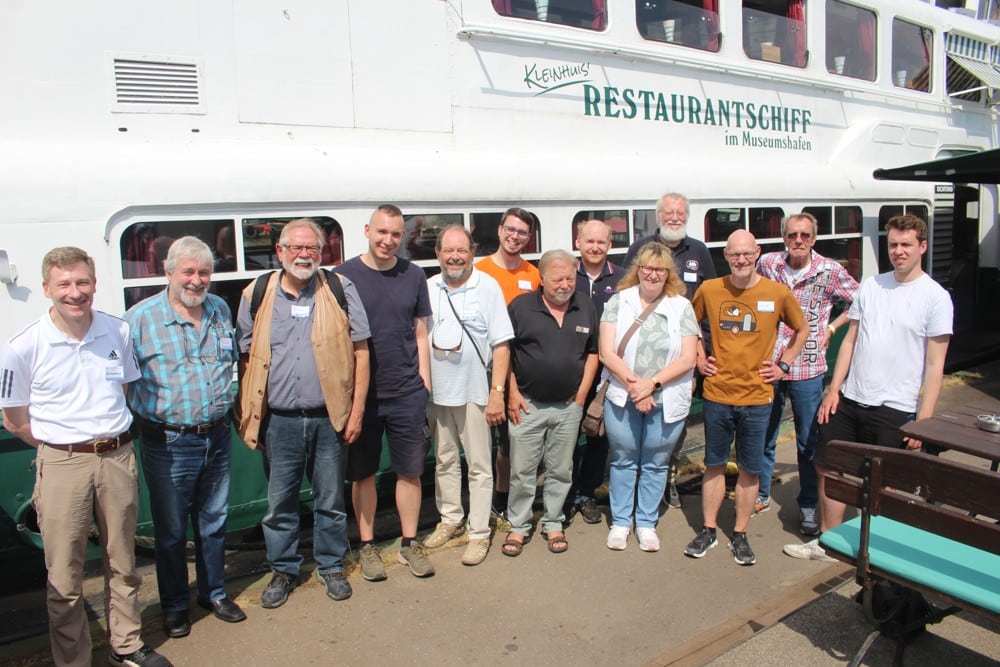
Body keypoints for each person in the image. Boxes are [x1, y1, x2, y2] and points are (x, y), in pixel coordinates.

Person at [1, 247, 171, 667]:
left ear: (94, 284)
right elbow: (15, 421)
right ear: (46, 289)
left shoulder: (118, 332)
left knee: (123, 560)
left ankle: (126, 645)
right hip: (62, 463)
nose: (75, 292)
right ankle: (73, 660)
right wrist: (62, 450)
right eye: (64, 284)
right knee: (65, 575)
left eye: (82, 282)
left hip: (116, 456)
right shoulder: (22, 347)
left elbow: (127, 389)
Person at [784, 213, 952, 561]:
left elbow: (936, 366)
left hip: (895, 406)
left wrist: (924, 420)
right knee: (827, 464)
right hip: (850, 399)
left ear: (922, 247)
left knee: (886, 482)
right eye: (893, 244)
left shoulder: (935, 298)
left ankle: (876, 549)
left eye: (906, 245)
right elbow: (849, 342)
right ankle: (830, 543)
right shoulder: (873, 286)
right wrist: (833, 390)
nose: (898, 251)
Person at [236, 218, 370, 607]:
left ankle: (330, 566)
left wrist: (357, 411)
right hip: (279, 421)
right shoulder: (256, 293)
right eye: (295, 248)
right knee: (280, 504)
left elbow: (362, 352)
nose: (303, 254)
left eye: (311, 247)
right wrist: (251, 415)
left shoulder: (340, 289)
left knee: (330, 500)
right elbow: (247, 359)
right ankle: (284, 569)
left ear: (322, 252)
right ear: (280, 252)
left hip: (330, 417)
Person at [126, 237, 245, 639]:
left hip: (217, 435)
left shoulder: (219, 309)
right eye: (188, 272)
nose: (196, 281)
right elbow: (122, 384)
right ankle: (175, 606)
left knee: (214, 523)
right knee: (173, 531)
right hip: (169, 443)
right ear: (168, 273)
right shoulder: (140, 319)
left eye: (204, 273)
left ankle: (213, 594)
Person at [685, 230, 808, 566]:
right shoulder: (710, 290)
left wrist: (783, 364)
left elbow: (803, 329)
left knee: (749, 470)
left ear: (757, 252)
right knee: (713, 464)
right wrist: (699, 354)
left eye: (746, 254)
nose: (740, 260)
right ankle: (709, 530)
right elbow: (690, 323)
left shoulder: (777, 292)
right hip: (717, 393)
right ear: (725, 255)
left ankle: (739, 533)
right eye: (734, 255)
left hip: (757, 396)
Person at [336, 204, 435, 579]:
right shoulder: (342, 276)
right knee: (362, 474)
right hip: (362, 394)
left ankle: (410, 543)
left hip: (407, 391)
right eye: (382, 232)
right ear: (367, 230)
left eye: (395, 234)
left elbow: (420, 330)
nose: (388, 240)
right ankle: (367, 546)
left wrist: (424, 381)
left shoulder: (414, 275)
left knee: (409, 472)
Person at [754, 213, 859, 536]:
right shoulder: (768, 264)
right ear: (784, 238)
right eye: (792, 235)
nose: (798, 241)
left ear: (814, 239)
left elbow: (863, 300)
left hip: (808, 369)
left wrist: (834, 325)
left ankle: (809, 503)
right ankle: (759, 493)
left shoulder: (829, 271)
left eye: (804, 235)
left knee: (808, 441)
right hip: (770, 365)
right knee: (764, 435)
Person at [422, 225, 514, 565]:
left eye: (461, 250)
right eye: (448, 251)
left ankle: (478, 533)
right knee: (444, 461)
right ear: (438, 254)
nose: (455, 257)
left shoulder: (487, 287)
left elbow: (501, 345)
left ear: (472, 252)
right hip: (437, 393)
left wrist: (497, 393)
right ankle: (450, 519)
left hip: (475, 392)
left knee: (479, 466)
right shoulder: (428, 287)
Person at [600, 243, 698, 551]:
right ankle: (620, 522)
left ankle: (645, 523)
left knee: (656, 462)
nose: (652, 274)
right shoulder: (618, 301)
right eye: (646, 267)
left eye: (659, 269)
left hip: (666, 397)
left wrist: (651, 385)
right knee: (623, 458)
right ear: (637, 269)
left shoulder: (681, 306)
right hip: (623, 394)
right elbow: (606, 352)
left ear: (669, 273)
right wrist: (635, 386)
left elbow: (688, 358)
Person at [501, 250, 599, 557]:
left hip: (568, 407)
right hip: (527, 404)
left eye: (570, 277)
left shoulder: (586, 304)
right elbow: (506, 353)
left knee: (561, 469)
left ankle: (554, 522)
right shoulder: (520, 307)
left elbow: (593, 352)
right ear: (541, 278)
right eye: (557, 279)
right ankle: (519, 526)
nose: (564, 284)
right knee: (522, 471)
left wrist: (582, 394)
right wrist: (512, 394)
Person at [623, 192, 716, 508]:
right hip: (640, 360)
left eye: (680, 212)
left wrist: (703, 347)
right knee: (633, 426)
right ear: (658, 215)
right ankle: (635, 483)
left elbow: (708, 303)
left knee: (672, 426)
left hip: (682, 359)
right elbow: (625, 294)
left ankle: (666, 479)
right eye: (668, 212)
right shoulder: (640, 249)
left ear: (686, 216)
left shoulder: (699, 251)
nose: (674, 217)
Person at [475, 207, 541, 519]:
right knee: (493, 441)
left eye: (522, 233)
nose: (515, 236)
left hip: (524, 365)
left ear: (529, 238)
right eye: (510, 229)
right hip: (488, 364)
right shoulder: (481, 270)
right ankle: (497, 500)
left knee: (515, 438)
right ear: (500, 230)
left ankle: (511, 499)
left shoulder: (532, 274)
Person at [565, 219, 622, 524]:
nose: (595, 247)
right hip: (571, 371)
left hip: (607, 375)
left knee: (599, 436)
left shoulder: (624, 279)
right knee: (567, 438)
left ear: (609, 245)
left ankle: (586, 493)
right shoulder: (565, 276)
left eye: (601, 242)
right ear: (578, 242)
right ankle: (566, 493)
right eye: (590, 241)